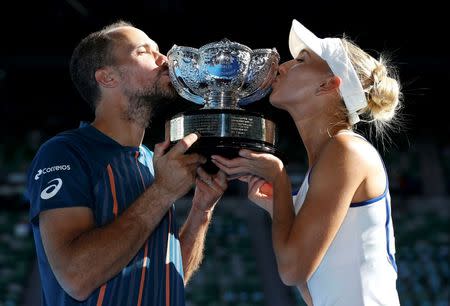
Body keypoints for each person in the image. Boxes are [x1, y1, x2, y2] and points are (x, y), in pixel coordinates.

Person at [27, 20, 228, 306]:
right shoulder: (64, 153)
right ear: (107, 78)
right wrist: (161, 193)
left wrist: (200, 213)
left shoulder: (151, 160)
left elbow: (168, 278)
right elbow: (76, 277)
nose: (164, 59)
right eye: (145, 51)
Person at [211, 19, 401, 305]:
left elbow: (292, 269)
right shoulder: (333, 157)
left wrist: (279, 178)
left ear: (327, 85)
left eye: (301, 60)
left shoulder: (346, 149)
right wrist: (279, 206)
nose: (283, 66)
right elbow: (314, 293)